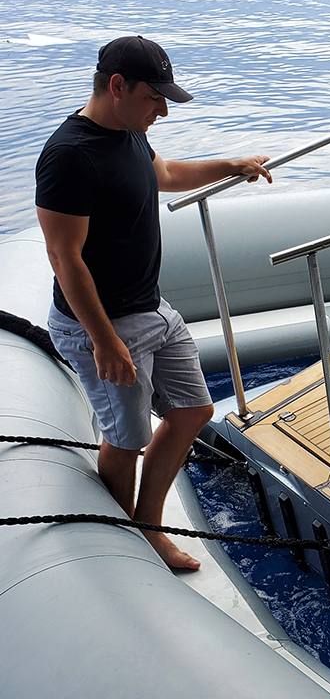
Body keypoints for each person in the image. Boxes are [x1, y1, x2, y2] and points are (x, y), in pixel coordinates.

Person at [36, 36, 273, 571]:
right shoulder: (70, 156)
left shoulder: (129, 131)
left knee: (193, 411)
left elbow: (164, 175)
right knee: (125, 439)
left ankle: (146, 526)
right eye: (154, 97)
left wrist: (230, 165)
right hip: (103, 323)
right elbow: (64, 257)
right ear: (117, 86)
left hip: (151, 308)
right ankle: (123, 550)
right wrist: (104, 341)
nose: (163, 110)